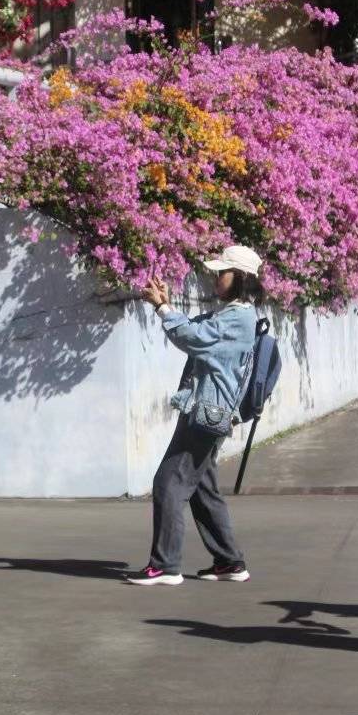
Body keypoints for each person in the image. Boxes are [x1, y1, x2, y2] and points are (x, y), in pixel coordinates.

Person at [124, 244, 263, 586]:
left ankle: (165, 566)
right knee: (202, 489)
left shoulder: (238, 317)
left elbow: (192, 337)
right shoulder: (236, 312)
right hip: (209, 412)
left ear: (241, 278)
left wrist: (161, 308)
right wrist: (167, 305)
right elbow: (194, 326)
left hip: (205, 413)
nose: (216, 278)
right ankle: (230, 562)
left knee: (168, 483)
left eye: (222, 273)